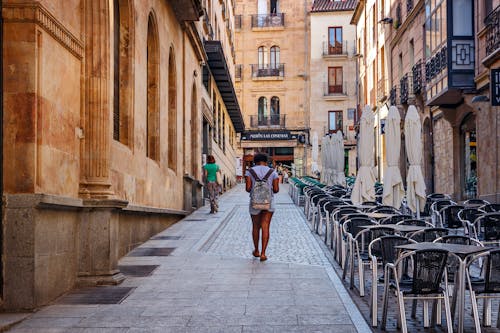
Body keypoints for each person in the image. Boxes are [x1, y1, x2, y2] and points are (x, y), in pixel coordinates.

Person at [245, 153, 280, 261]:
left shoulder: (249, 171)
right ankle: (264, 253)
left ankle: (256, 251)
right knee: (265, 226)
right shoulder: (273, 172)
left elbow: (248, 188)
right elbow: (276, 190)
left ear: (255, 161)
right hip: (268, 202)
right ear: (266, 161)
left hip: (255, 202)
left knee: (255, 226)